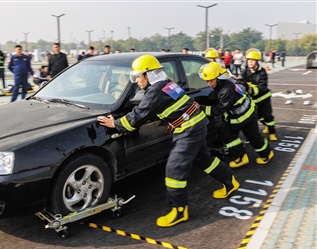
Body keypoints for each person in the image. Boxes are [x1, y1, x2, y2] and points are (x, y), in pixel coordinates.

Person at [97, 55, 239, 227]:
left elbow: (138, 115)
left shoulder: (156, 91)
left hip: (189, 128)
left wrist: (115, 123)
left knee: (174, 169)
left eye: (138, 76)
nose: (136, 80)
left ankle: (179, 210)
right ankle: (230, 181)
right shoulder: (166, 84)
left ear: (148, 75)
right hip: (196, 123)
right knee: (204, 159)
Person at [199, 62, 274, 168]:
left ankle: (267, 154)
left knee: (253, 137)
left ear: (218, 78)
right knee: (227, 136)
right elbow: (216, 95)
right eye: (207, 81)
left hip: (247, 116)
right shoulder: (223, 83)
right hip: (238, 117)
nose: (209, 83)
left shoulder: (226, 90)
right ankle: (241, 157)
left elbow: (217, 111)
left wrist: (200, 107)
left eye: (211, 80)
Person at [240, 48, 277, 141]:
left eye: (253, 60)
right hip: (253, 100)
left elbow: (262, 87)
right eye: (249, 60)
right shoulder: (244, 71)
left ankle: (272, 133)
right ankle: (261, 130)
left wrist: (251, 89)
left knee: (268, 116)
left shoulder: (262, 72)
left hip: (264, 99)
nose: (250, 62)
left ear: (257, 62)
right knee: (257, 117)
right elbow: (241, 81)